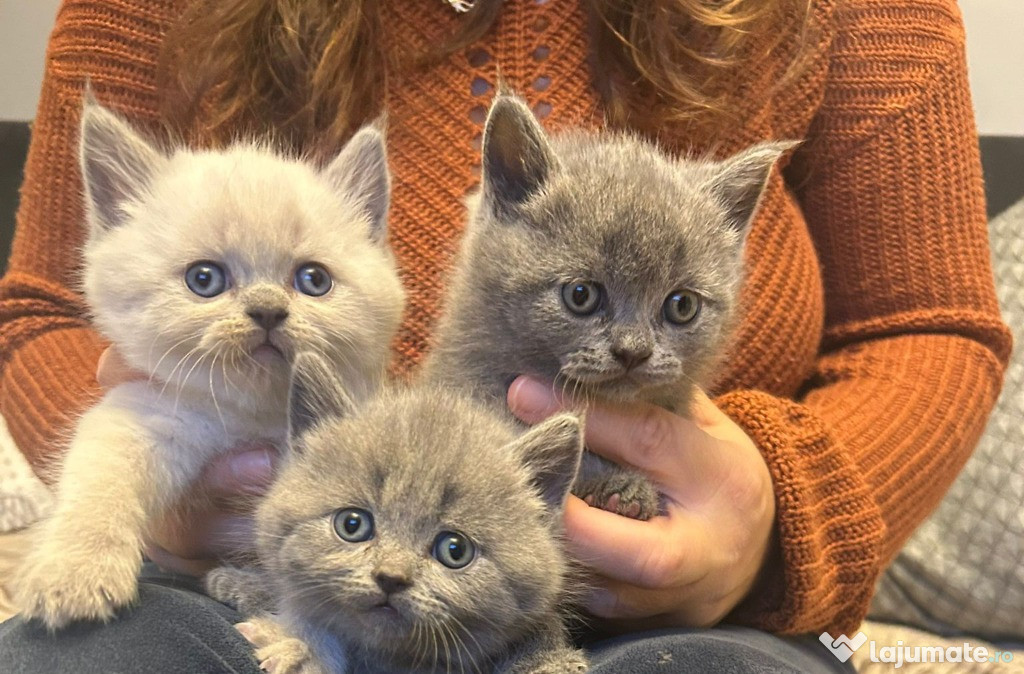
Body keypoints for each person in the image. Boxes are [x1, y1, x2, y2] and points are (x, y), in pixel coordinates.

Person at [0, 0, 1010, 671]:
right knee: (89, 651)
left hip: (694, 614)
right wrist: (150, 488)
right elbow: (43, 306)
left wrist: (782, 514)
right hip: (269, 568)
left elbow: (929, 330)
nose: (625, 344)